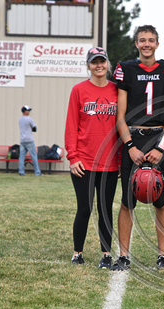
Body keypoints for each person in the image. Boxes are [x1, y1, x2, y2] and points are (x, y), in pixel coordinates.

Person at [111, 24, 164, 270]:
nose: (147, 44)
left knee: (160, 199)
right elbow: (120, 116)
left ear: (157, 44)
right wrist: (129, 146)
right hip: (134, 138)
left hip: (158, 137)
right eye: (142, 40)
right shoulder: (126, 69)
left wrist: (161, 148)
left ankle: (163, 255)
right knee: (128, 201)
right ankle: (124, 255)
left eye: (151, 40)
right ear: (136, 43)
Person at [65, 47, 120, 268]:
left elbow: (122, 126)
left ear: (108, 64)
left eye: (102, 61)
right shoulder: (79, 90)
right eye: (94, 62)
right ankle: (77, 252)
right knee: (85, 208)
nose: (99, 65)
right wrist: (72, 157)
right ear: (88, 65)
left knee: (105, 209)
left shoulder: (117, 90)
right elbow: (71, 125)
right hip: (84, 161)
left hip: (109, 162)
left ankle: (106, 254)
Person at [18, 105, 43, 176]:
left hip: (22, 140)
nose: (29, 112)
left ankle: (21, 172)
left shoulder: (20, 119)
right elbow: (35, 129)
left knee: (21, 157)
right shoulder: (29, 119)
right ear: (25, 111)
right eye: (28, 110)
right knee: (34, 156)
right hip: (29, 140)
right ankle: (37, 172)